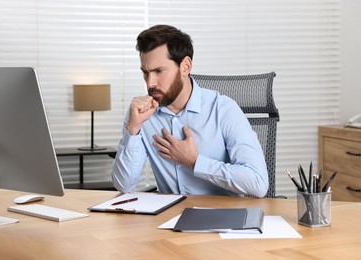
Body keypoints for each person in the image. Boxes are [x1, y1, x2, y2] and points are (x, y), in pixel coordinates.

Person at [111, 24, 268, 197]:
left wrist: (194, 161)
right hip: (169, 219)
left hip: (223, 218)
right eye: (146, 73)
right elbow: (123, 186)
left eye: (158, 71)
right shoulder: (141, 115)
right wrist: (132, 131)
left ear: (185, 66)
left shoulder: (224, 110)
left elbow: (258, 183)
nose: (150, 83)